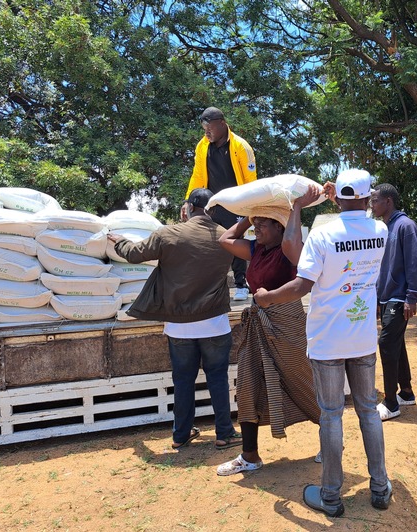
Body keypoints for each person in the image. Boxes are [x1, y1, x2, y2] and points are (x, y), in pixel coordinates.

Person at [255, 169, 392, 517]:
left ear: (341, 198)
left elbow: (303, 285)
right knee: (367, 411)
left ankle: (331, 496)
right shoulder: (381, 230)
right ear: (366, 198)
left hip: (328, 340)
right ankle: (380, 488)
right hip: (361, 339)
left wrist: (268, 298)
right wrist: (340, 198)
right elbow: (355, 214)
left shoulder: (322, 235)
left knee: (331, 416)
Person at [108, 188, 241, 450]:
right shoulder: (226, 237)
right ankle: (224, 433)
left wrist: (119, 241)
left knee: (183, 380)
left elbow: (134, 254)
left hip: (179, 327)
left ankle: (181, 434)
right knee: (217, 378)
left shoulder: (168, 234)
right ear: (211, 210)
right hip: (214, 323)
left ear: (189, 208)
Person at [215, 187, 321, 475]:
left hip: (286, 321)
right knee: (247, 383)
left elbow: (291, 241)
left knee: (302, 379)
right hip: (257, 322)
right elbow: (226, 238)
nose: (257, 228)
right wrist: (252, 216)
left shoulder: (290, 252)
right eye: (256, 223)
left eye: (265, 223)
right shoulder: (255, 249)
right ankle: (250, 456)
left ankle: (330, 438)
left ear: (280, 227)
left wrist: (295, 207)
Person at [183, 106, 257, 302]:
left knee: (236, 241)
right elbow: (197, 175)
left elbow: (251, 179)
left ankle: (241, 284)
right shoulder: (202, 146)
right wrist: (188, 200)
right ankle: (214, 285)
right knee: (211, 243)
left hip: (236, 203)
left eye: (210, 128)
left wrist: (251, 206)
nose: (207, 133)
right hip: (213, 203)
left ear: (222, 124)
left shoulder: (241, 146)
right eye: (204, 129)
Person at [370, 183, 417, 421]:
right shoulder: (386, 227)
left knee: (387, 344)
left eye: (375, 200)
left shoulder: (406, 226)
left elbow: (415, 263)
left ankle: (391, 403)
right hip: (386, 296)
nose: (371, 205)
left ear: (388, 202)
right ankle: (406, 392)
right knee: (396, 342)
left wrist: (412, 297)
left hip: (399, 297)